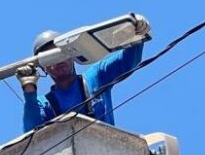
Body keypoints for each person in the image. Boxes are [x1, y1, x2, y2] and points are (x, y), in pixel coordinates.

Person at [16, 23, 147, 133]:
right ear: (44, 67)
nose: (59, 61)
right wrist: (29, 90)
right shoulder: (44, 104)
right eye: (50, 58)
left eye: (61, 53)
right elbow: (31, 134)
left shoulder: (96, 77)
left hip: (107, 154)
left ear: (72, 55)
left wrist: (137, 33)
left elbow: (128, 61)